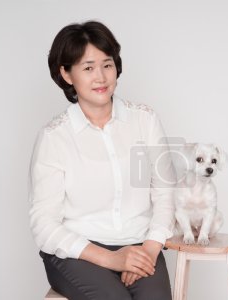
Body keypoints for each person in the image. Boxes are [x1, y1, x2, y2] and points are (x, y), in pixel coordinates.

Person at [28, 20, 176, 300]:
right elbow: (44, 224)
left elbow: (164, 190)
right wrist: (112, 260)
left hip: (140, 246)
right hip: (77, 251)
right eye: (87, 68)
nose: (101, 77)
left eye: (107, 65)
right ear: (66, 74)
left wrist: (149, 249)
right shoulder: (54, 137)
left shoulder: (144, 121)